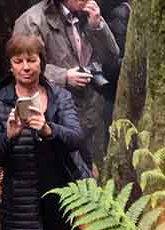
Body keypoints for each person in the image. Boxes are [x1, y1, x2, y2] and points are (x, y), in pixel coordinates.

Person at [0, 34, 91, 230]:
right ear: (10, 65)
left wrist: (48, 129)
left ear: (41, 62)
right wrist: (9, 136)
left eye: (31, 60)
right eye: (18, 61)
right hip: (24, 205)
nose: (26, 67)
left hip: (66, 200)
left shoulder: (59, 96)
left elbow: (76, 138)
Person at [13, 0, 121, 165]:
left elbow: (112, 59)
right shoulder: (32, 21)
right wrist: (63, 76)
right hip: (52, 116)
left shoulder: (89, 15)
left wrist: (97, 26)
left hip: (91, 115)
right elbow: (21, 68)